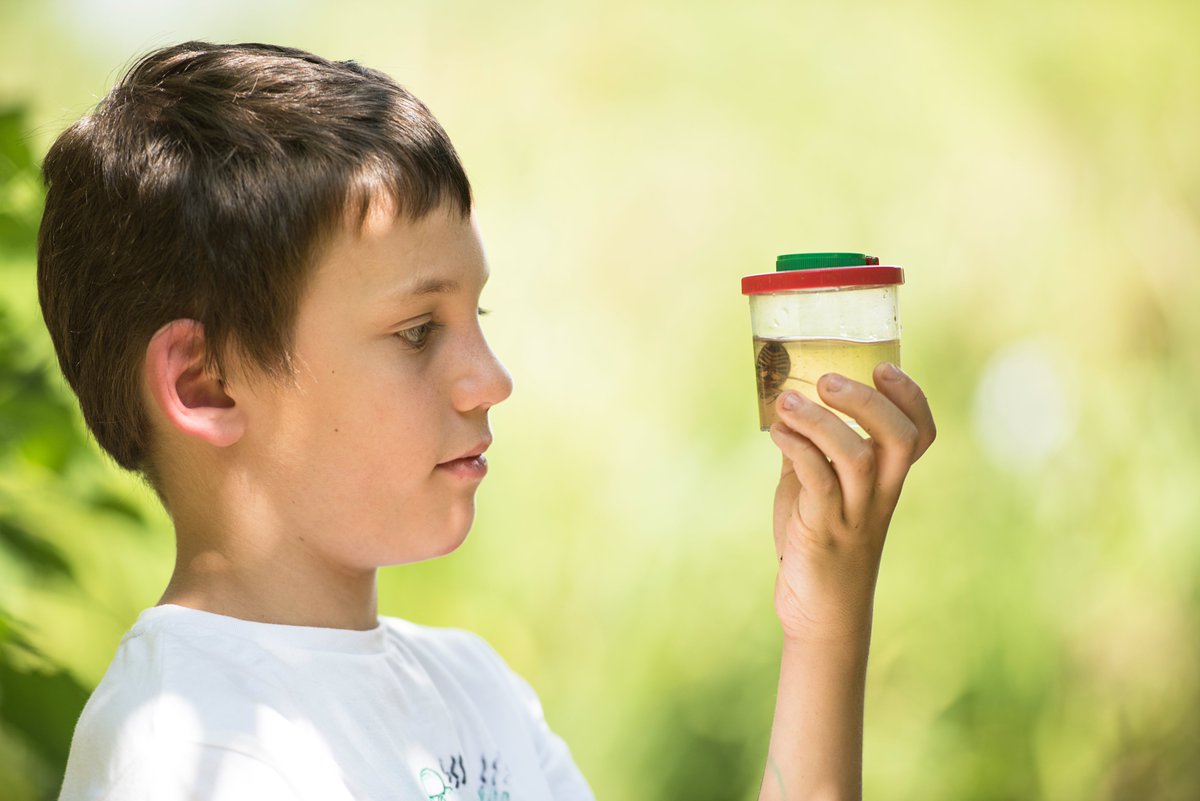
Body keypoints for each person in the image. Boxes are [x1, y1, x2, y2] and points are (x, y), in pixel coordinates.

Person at [37, 41, 935, 801]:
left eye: (480, 320)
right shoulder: (187, 749)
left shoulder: (476, 693)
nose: (491, 381)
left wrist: (825, 618)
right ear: (206, 383)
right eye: (418, 330)